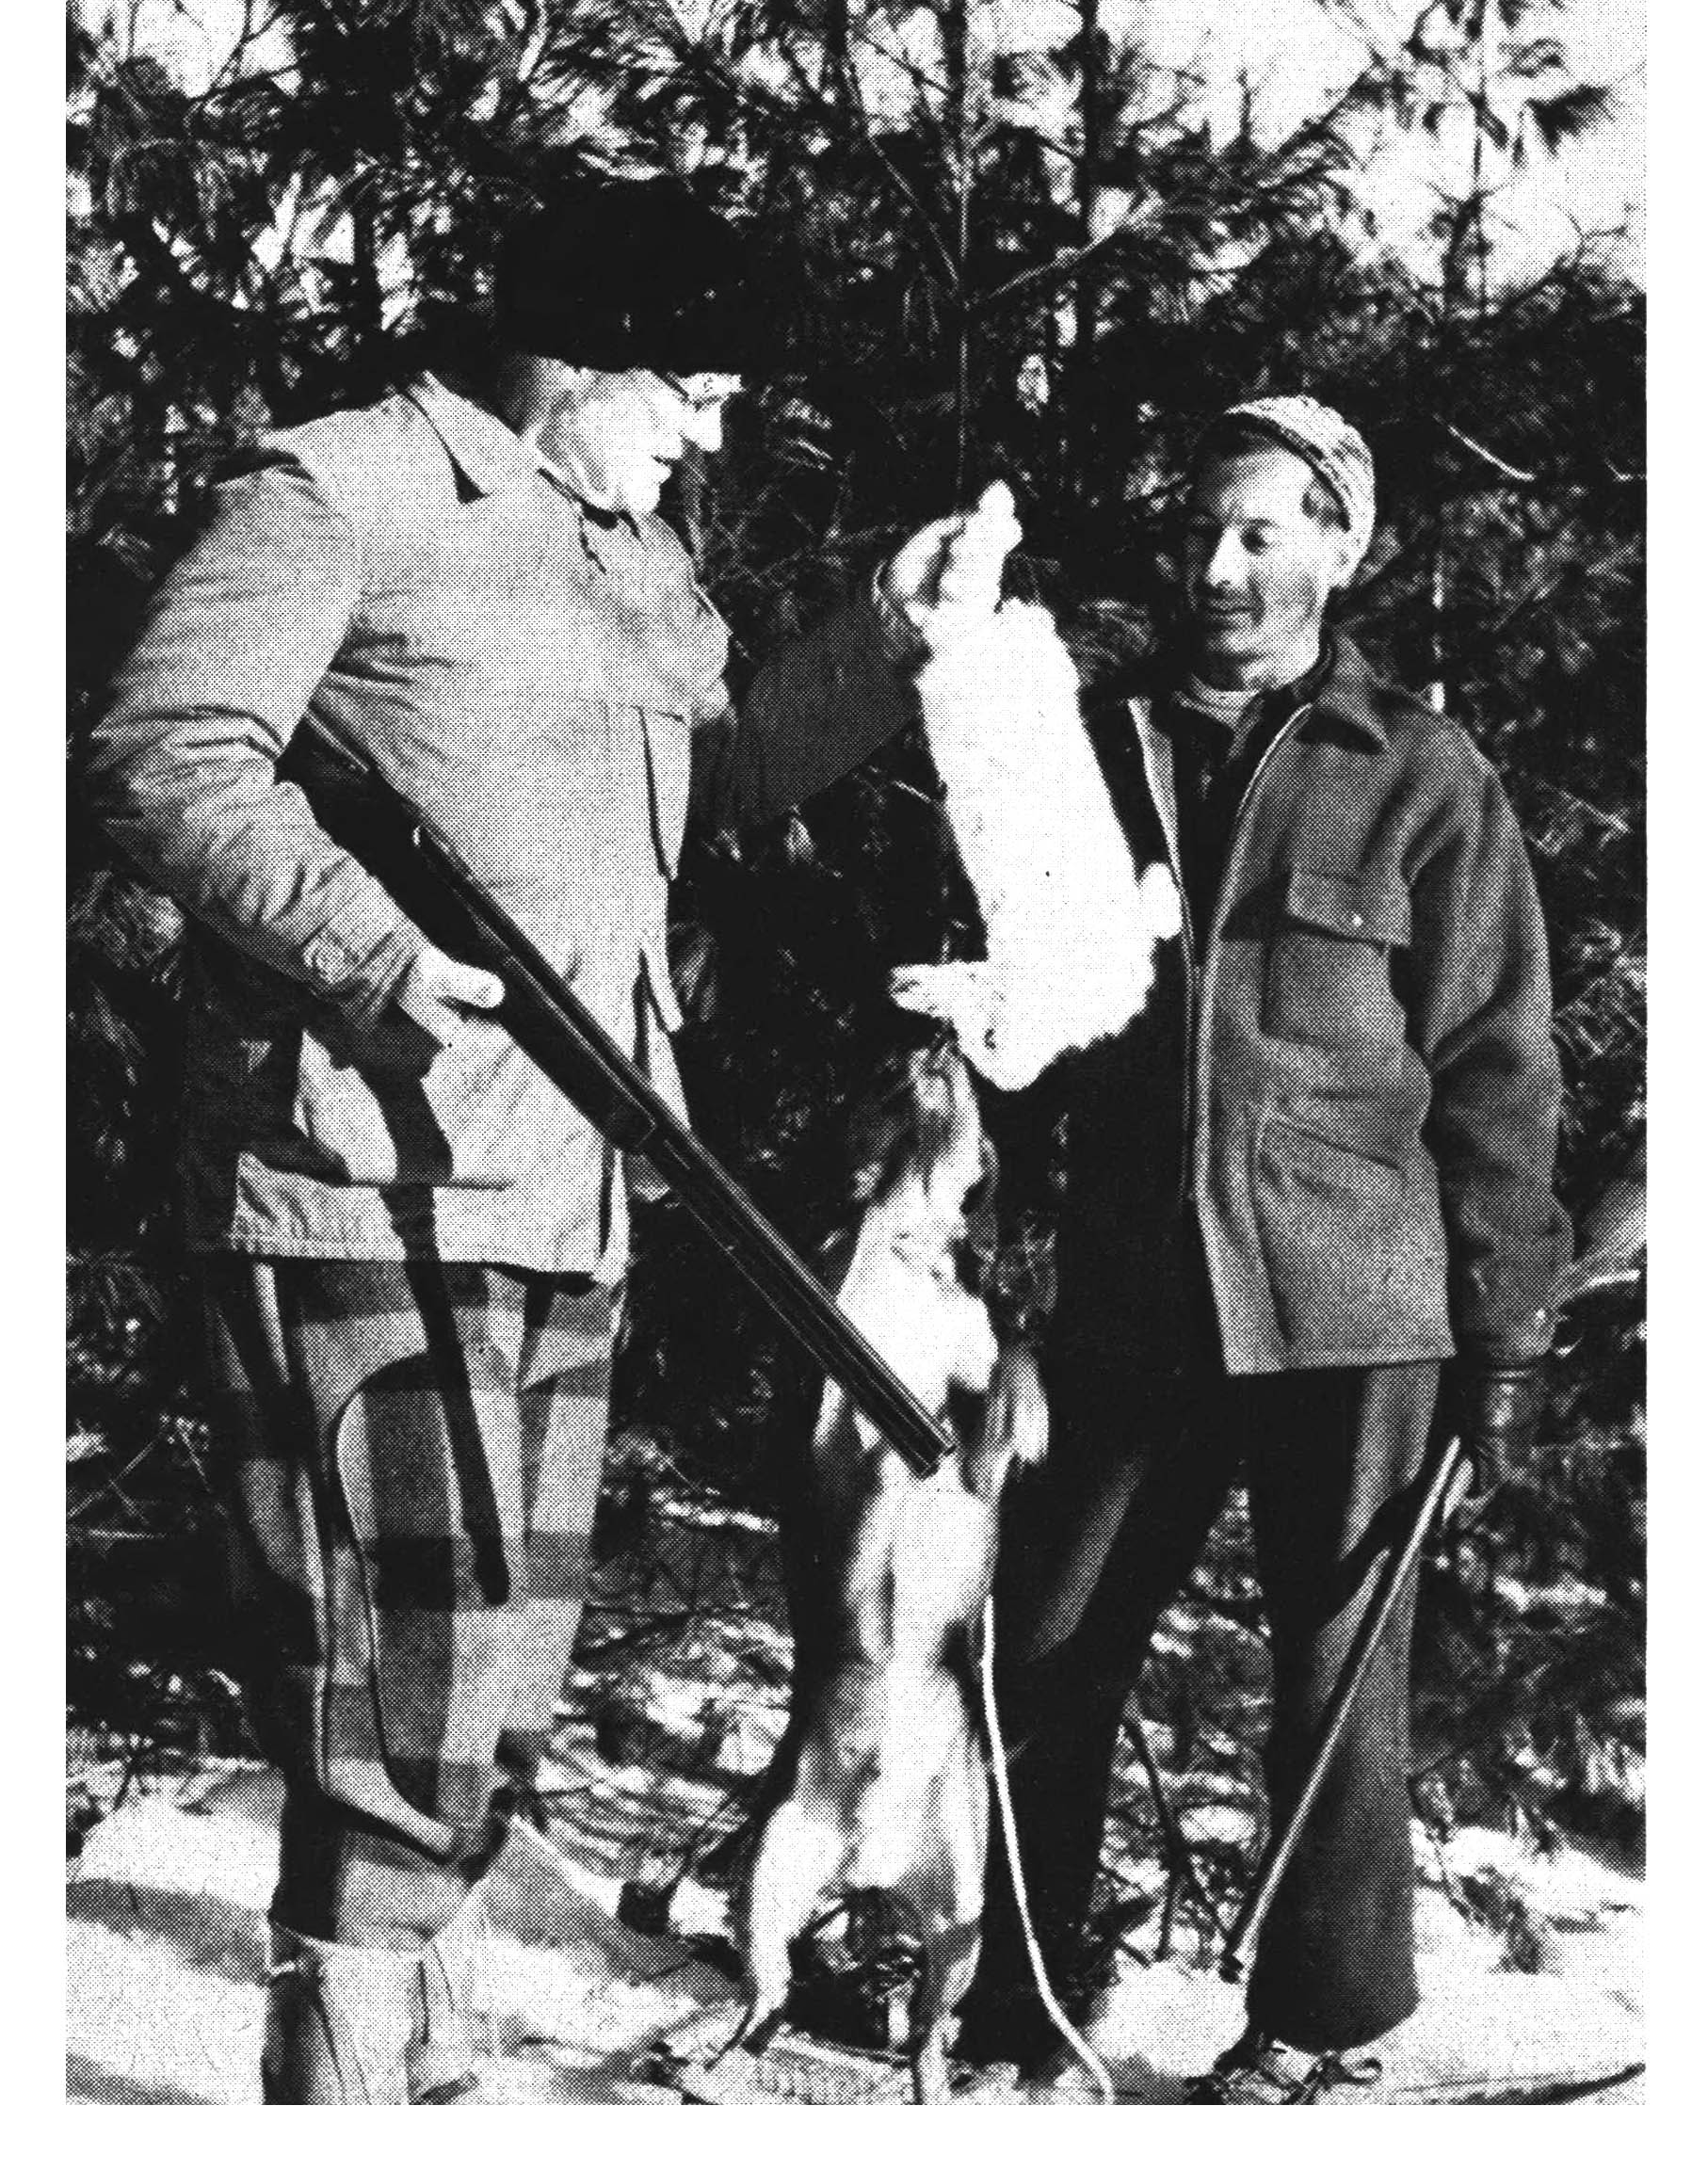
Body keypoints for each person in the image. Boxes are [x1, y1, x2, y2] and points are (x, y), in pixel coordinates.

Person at [82, 180, 1007, 2104]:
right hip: (356, 1174)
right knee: (389, 1702)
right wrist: (370, 957)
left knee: (486, 1715)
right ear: (574, 356)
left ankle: (408, 2084)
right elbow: (163, 753)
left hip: (571, 1183)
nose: (713, 427)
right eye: (690, 383)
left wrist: (877, 645)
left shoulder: (631, 557)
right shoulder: (338, 492)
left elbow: (713, 781)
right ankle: (342, 2092)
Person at [955, 395, 1571, 2101]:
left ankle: (1319, 2024)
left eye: (1259, 533)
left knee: (1335, 1673)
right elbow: (1014, 1024)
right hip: (1134, 1291)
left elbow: (1498, 1067)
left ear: (1336, 546)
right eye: (1198, 532)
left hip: (1355, 1297)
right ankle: (1022, 1993)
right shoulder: (1085, 747)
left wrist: (1500, 1327)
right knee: (1046, 1642)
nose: (1218, 568)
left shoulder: (1422, 778)